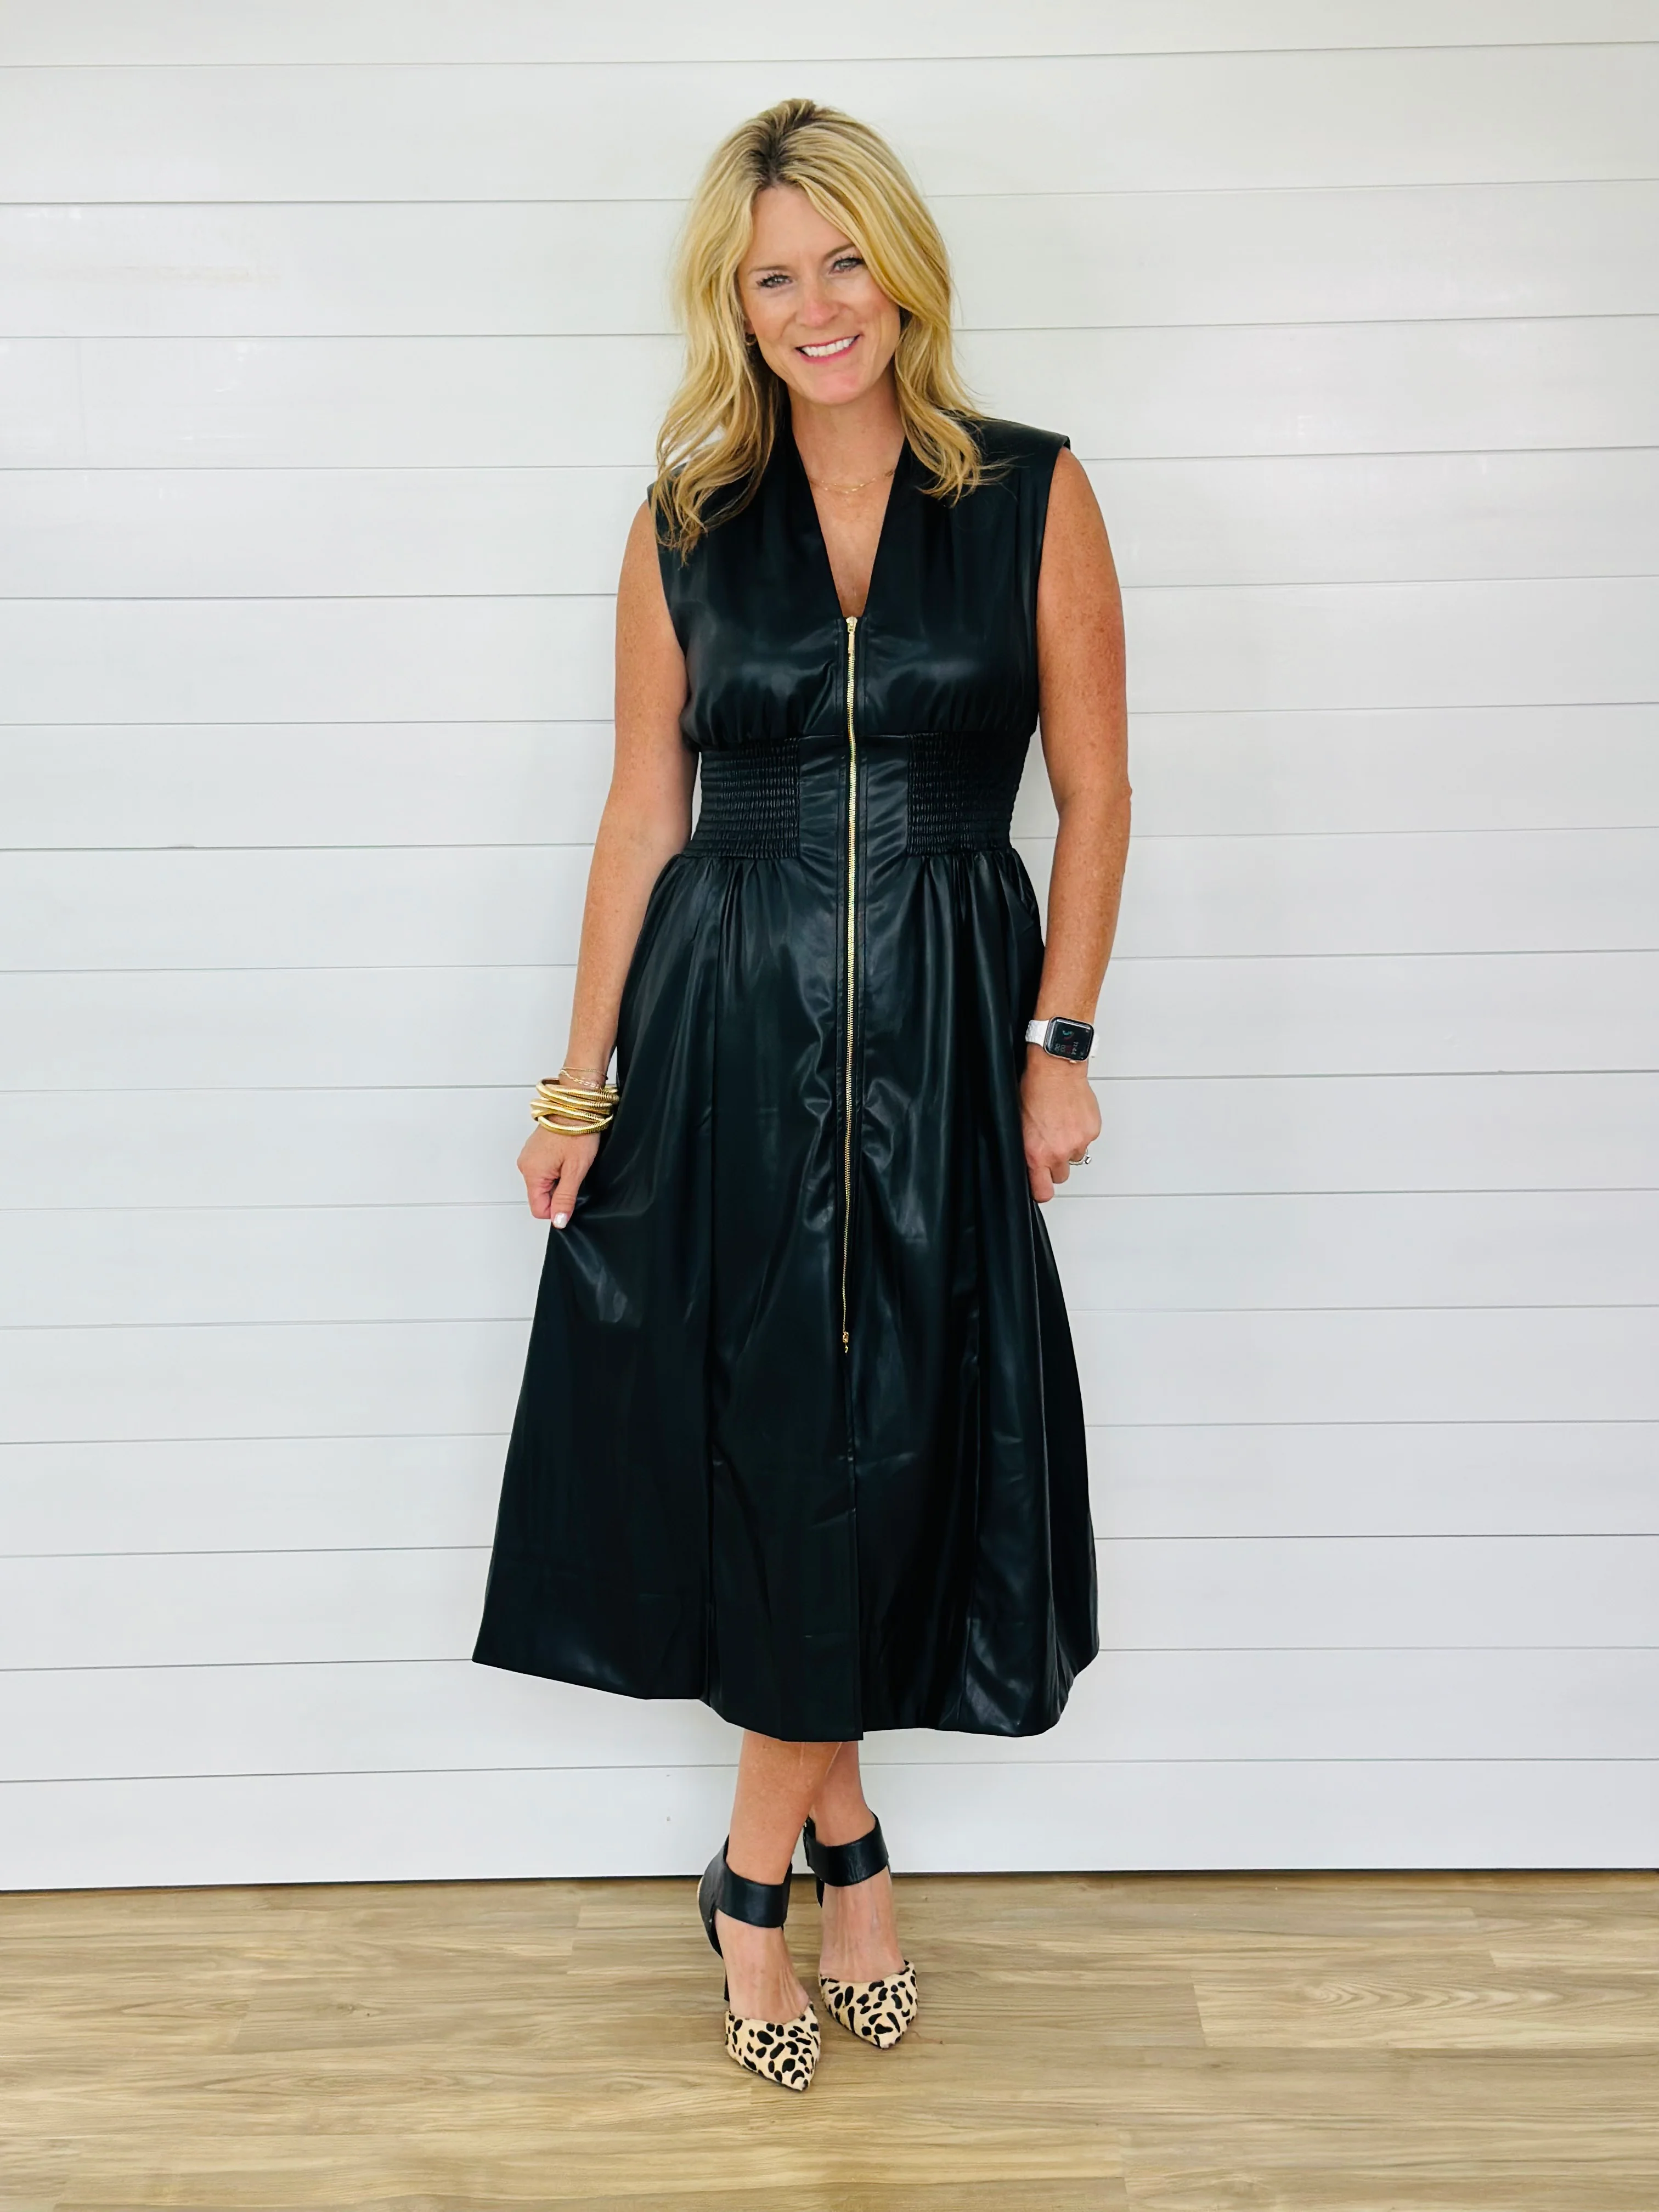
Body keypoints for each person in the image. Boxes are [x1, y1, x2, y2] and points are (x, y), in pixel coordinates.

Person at [473, 97, 1131, 2091]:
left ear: (903, 271)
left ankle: (754, 1867)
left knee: (892, 1444)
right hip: (726, 1034)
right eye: (774, 276)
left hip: (947, 1021)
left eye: (844, 261)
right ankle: (834, 1861)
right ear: (733, 302)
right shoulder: (685, 518)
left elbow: (1097, 790)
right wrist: (577, 1089)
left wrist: (1060, 1044)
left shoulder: (1031, 491)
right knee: (769, 1449)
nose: (815, 305)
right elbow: (640, 810)